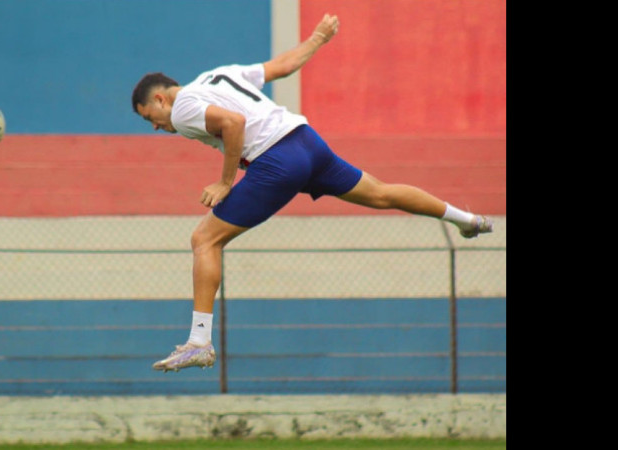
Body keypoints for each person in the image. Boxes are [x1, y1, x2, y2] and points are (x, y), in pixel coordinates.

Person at [131, 13, 493, 373]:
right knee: (381, 193)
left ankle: (199, 342)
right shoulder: (219, 75)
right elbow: (283, 67)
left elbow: (233, 123)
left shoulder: (183, 110)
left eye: (151, 117)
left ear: (161, 98)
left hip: (276, 161)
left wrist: (225, 182)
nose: (156, 127)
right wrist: (318, 38)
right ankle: (468, 220)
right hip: (307, 142)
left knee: (204, 240)